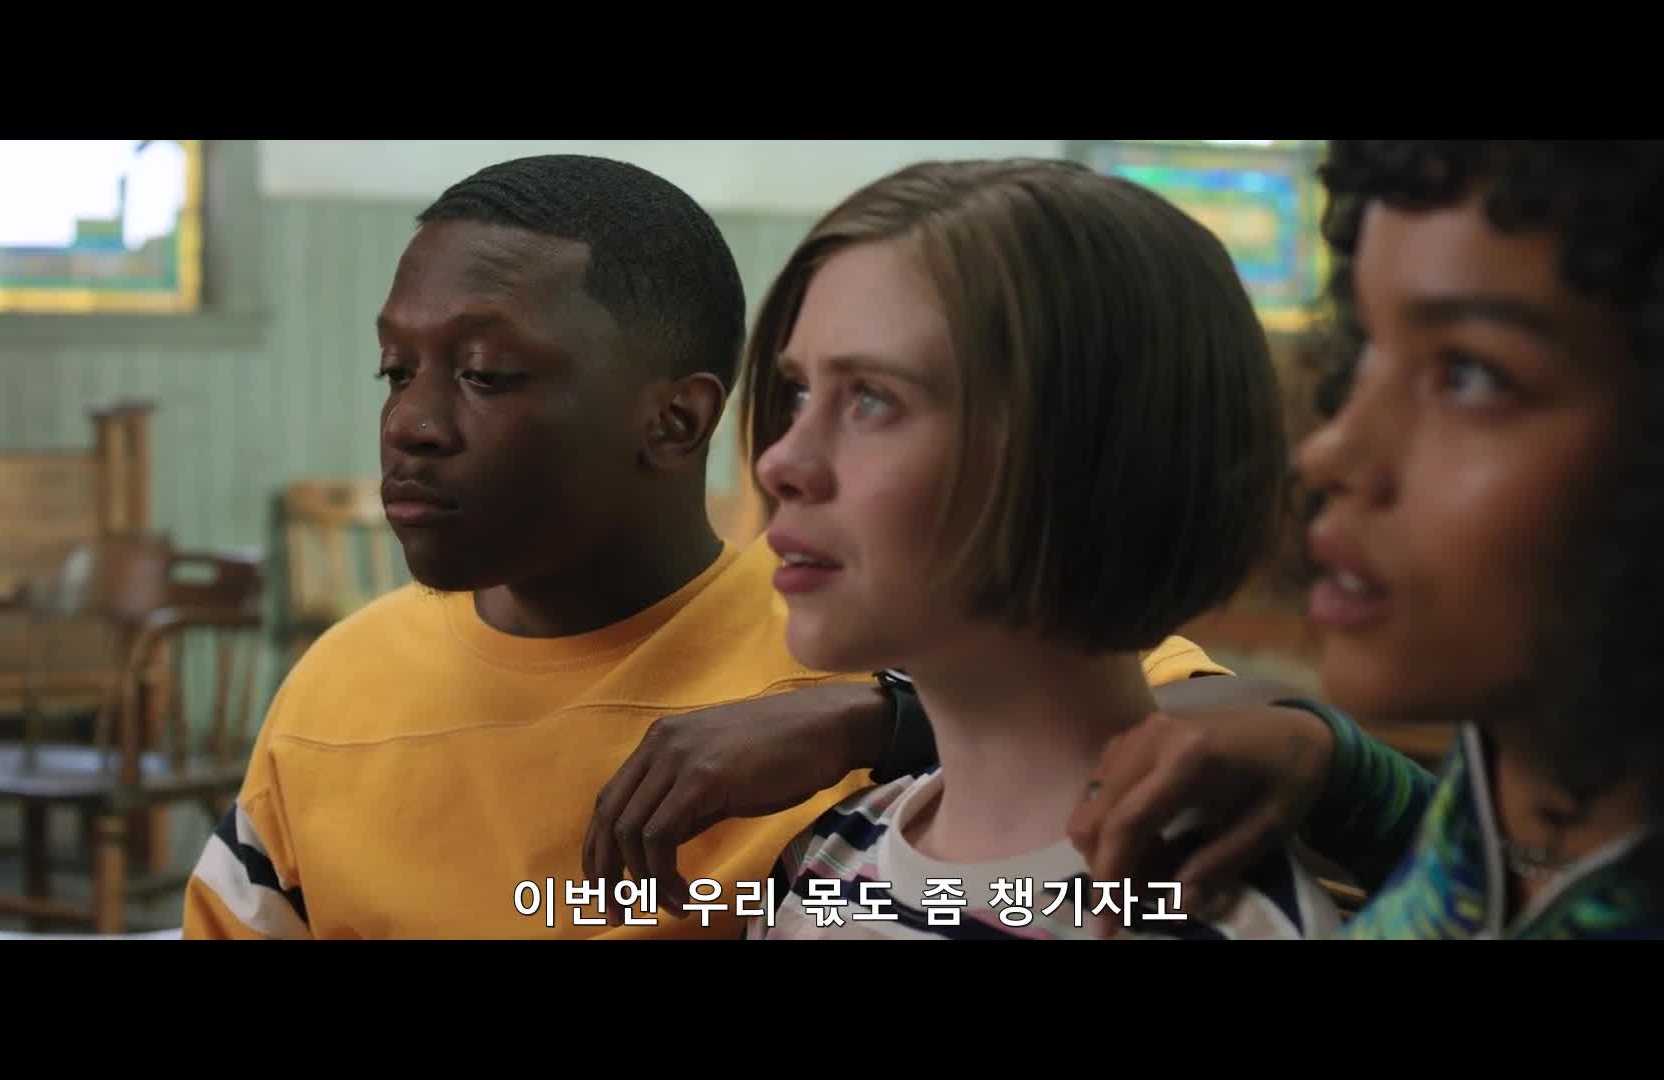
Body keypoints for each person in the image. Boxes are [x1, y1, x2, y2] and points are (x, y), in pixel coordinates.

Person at [179, 154, 1274, 940]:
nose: (410, 423)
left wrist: (878, 715)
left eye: (486, 374)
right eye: (395, 371)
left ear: (677, 419)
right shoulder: (339, 690)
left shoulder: (871, 629)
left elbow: (1215, 732)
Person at [1068, 140, 1664, 939]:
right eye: (1366, 344)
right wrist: (1336, 771)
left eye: (1469, 375)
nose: (1327, 452)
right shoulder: (1531, 765)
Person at [734, 158, 1345, 940]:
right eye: (797, 393)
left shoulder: (1211, 922)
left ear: (1083, 449)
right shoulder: (827, 857)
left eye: (873, 399)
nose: (779, 461)